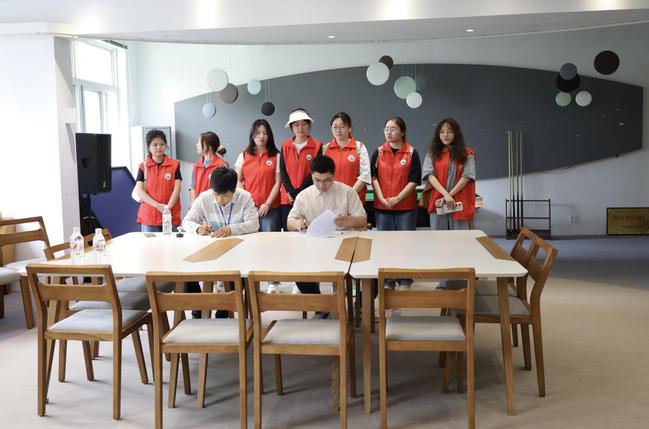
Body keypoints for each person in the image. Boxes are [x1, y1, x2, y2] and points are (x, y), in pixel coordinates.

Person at [287, 155, 366, 316]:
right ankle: (321, 306)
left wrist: (349, 220)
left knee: (371, 274)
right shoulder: (304, 195)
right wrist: (298, 224)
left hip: (344, 245)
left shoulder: (347, 192)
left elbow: (363, 220)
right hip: (314, 245)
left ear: (333, 175)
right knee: (299, 273)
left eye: (327, 181)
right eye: (317, 180)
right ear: (311, 176)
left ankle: (359, 305)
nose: (322, 185)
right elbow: (290, 222)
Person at [183, 167, 259, 318]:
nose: (220, 200)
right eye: (216, 195)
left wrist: (231, 229)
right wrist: (198, 228)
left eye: (225, 196)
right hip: (210, 251)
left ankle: (223, 310)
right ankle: (198, 307)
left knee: (237, 279)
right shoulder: (204, 198)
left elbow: (254, 224)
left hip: (238, 252)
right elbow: (187, 221)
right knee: (186, 272)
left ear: (234, 191)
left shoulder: (245, 197)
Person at [370, 116, 421, 289]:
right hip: (383, 206)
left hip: (406, 207)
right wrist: (381, 198)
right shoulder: (378, 152)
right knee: (386, 245)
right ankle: (388, 280)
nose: (389, 132)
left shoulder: (411, 152)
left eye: (393, 129)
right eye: (386, 129)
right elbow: (373, 177)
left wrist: (398, 198)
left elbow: (414, 180)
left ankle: (405, 279)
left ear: (402, 132)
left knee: (405, 245)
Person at [423, 117, 476, 230]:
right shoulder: (432, 153)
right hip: (438, 200)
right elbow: (429, 175)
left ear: (456, 133)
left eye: (449, 131)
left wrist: (449, 195)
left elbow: (466, 177)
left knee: (459, 237)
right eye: (442, 132)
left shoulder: (467, 153)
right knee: (438, 237)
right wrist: (445, 195)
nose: (445, 135)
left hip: (460, 201)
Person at [234, 119, 281, 232]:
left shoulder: (276, 156)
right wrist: (249, 201)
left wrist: (267, 204)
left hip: (271, 208)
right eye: (258, 133)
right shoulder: (244, 155)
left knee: (271, 240)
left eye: (265, 133)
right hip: (249, 208)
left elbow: (278, 182)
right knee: (250, 239)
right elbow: (237, 180)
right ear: (252, 135)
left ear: (269, 136)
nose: (261, 136)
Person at [279, 108, 322, 231]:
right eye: (296, 125)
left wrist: (298, 193)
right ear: (291, 127)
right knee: (289, 233)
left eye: (304, 124)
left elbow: (315, 172)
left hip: (309, 197)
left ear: (309, 125)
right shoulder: (285, 145)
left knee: (310, 232)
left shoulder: (317, 146)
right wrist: (290, 192)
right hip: (287, 199)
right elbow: (283, 171)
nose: (300, 128)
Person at [135, 129, 182, 232]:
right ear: (148, 147)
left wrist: (167, 208)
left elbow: (177, 189)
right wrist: (158, 206)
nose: (159, 147)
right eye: (155, 145)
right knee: (150, 243)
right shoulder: (143, 166)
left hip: (170, 216)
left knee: (172, 242)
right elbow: (139, 191)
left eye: (162, 144)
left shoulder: (175, 165)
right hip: (149, 218)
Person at [322, 111, 371, 204]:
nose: (338, 130)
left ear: (349, 128)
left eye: (342, 126)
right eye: (335, 127)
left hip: (355, 199)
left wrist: (350, 194)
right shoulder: (325, 149)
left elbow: (365, 175)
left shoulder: (359, 147)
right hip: (331, 200)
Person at [189, 131, 227, 206]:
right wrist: (193, 202)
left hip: (213, 207)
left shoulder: (221, 165)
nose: (197, 144)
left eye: (199, 142)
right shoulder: (196, 165)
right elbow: (192, 186)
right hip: (198, 206)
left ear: (209, 146)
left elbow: (223, 190)